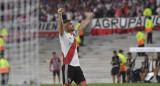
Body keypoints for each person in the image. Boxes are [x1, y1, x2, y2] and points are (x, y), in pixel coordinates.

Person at [58, 8, 93, 86]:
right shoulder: (63, 35)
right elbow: (60, 26)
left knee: (84, 84)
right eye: (71, 24)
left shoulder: (73, 34)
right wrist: (60, 15)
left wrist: (88, 17)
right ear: (65, 26)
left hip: (77, 66)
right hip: (68, 65)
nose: (73, 25)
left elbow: (81, 26)